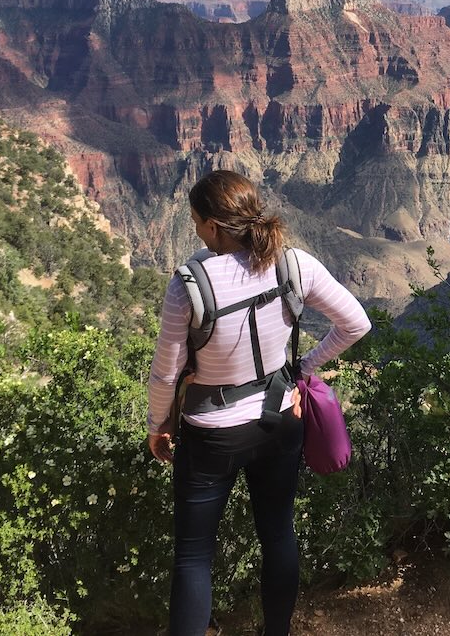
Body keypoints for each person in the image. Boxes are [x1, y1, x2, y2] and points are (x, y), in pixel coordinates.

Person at [147, 170, 371, 636]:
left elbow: (166, 372)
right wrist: (300, 370)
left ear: (211, 226)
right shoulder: (293, 264)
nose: (193, 230)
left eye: (194, 221)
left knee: (193, 555)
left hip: (211, 436)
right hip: (279, 421)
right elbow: (356, 323)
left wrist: (158, 426)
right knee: (277, 534)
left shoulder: (189, 284)